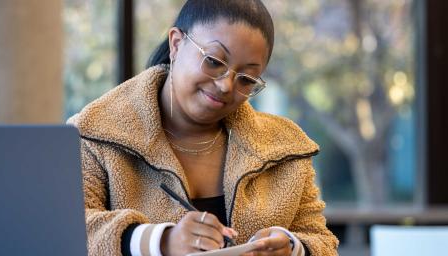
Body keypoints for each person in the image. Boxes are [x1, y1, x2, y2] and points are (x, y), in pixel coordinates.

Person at [68, 0, 339, 255]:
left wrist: (293, 247)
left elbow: (322, 240)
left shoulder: (285, 148)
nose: (226, 85)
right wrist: (161, 241)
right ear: (176, 44)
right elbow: (65, 231)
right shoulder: (94, 133)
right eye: (213, 61)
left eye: (246, 79)